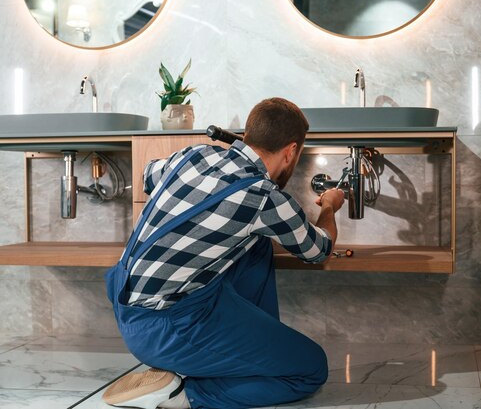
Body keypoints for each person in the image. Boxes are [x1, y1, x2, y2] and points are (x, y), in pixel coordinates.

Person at [102, 97, 344, 409]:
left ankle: (240, 354)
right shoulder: (262, 197)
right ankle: (182, 396)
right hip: (168, 329)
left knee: (257, 244)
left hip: (127, 309)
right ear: (291, 151)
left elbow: (148, 175)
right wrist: (329, 205)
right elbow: (319, 249)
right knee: (310, 369)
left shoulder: (194, 155)